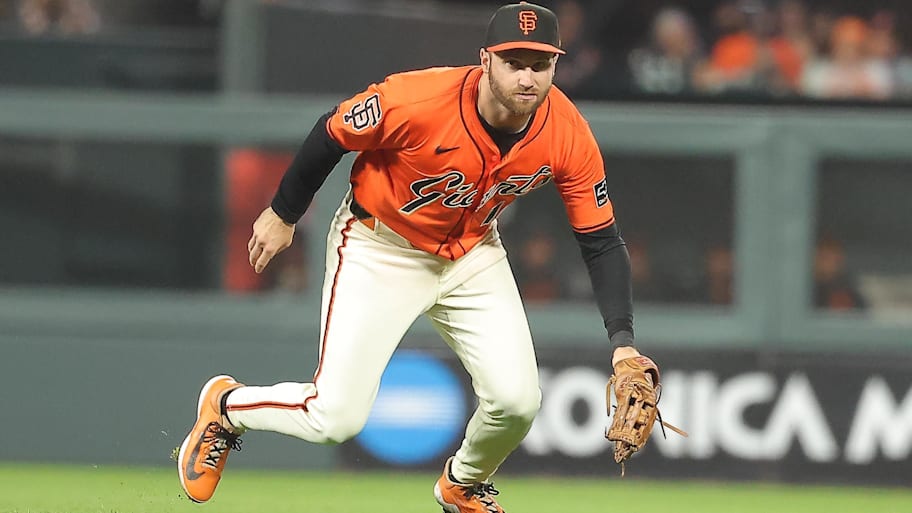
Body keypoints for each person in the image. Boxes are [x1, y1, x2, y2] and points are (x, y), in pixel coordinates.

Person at [177, 3, 656, 512]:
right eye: (513, 62)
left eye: (539, 65)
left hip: (472, 253)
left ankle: (462, 485)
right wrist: (283, 211)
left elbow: (601, 240)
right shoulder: (419, 99)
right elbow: (332, 132)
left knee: (518, 403)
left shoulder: (567, 132)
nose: (526, 77)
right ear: (485, 60)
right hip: (379, 246)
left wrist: (623, 343)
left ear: (556, 66)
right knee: (334, 418)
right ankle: (227, 406)